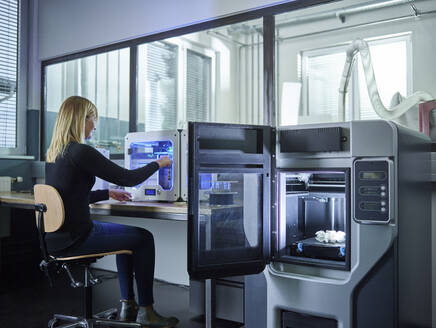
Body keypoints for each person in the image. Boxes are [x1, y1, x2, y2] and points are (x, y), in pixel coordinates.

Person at [45, 95, 179, 327]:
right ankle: (147, 312)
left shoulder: (55, 154)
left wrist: (107, 194)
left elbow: (69, 198)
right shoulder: (81, 152)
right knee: (143, 238)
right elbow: (127, 178)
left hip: (56, 239)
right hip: (78, 237)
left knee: (124, 238)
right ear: (81, 119)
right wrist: (159, 163)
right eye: (92, 119)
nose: (95, 126)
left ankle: (129, 306)